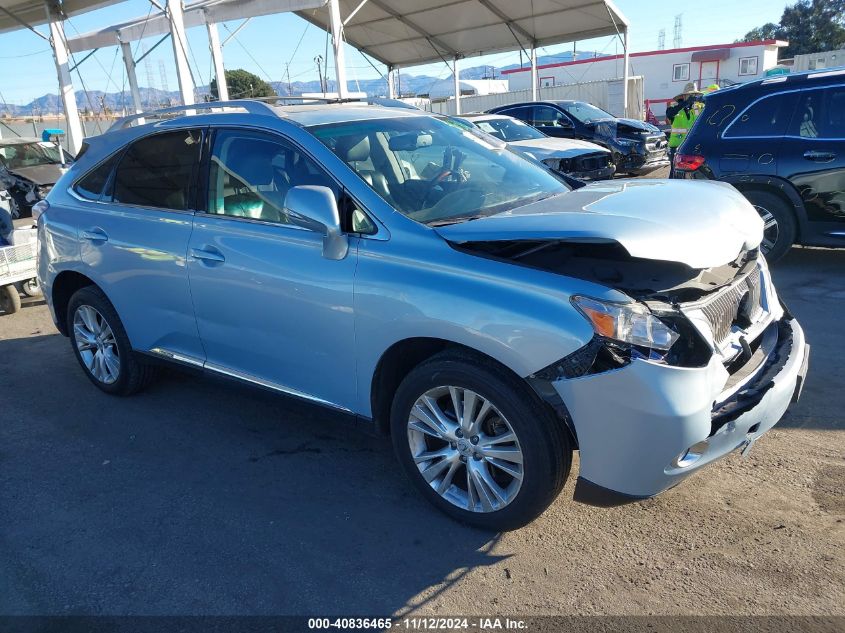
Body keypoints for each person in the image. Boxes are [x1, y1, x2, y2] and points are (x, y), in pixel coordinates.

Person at [667, 82, 706, 176]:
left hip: (692, 147)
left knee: (691, 174)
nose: (693, 97)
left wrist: (702, 100)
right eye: (690, 95)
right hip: (676, 147)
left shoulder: (698, 108)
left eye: (695, 95)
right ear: (684, 96)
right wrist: (685, 103)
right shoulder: (675, 107)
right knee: (675, 174)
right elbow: (669, 114)